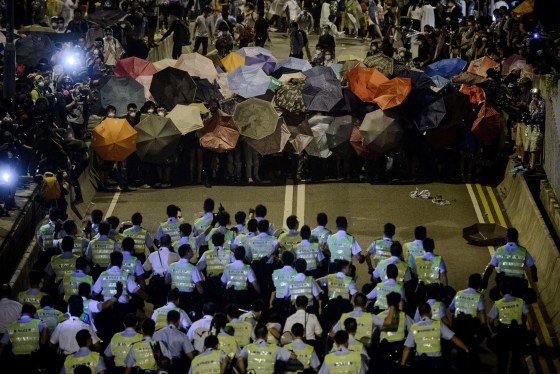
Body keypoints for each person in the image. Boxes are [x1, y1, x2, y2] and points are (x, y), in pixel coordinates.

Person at [401, 302, 469, 372]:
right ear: (430, 312)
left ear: (419, 314)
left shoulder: (414, 327)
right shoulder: (438, 324)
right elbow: (453, 338)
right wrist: (466, 349)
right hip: (436, 362)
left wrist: (402, 364)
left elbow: (407, 348)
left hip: (421, 362)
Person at [482, 227, 538, 297]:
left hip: (504, 284)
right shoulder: (523, 251)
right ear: (517, 239)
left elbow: (490, 268)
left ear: (506, 238)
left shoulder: (499, 250)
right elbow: (533, 267)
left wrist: (484, 282)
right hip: (518, 284)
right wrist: (534, 279)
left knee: (492, 294)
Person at [449, 274, 486, 373]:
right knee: (473, 348)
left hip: (458, 325)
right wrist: (483, 326)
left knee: (460, 350)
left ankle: (462, 368)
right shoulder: (478, 297)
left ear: (468, 282)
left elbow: (451, 308)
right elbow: (482, 313)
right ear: (479, 285)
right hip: (471, 326)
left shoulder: (459, 293)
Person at [0, 304, 48, 371]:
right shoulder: (38, 323)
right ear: (34, 313)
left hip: (15, 360)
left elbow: (2, 346)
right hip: (32, 359)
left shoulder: (11, 326)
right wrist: (44, 325)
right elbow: (43, 341)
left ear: (21, 313)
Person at [144, 234, 179, 308]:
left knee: (157, 305)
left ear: (160, 242)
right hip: (169, 284)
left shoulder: (152, 255)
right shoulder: (176, 256)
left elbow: (145, 271)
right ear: (170, 243)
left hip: (156, 285)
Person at [166, 244, 204, 312]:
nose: (193, 252)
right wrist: (202, 296)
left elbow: (167, 281)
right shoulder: (192, 268)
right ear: (187, 253)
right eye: (191, 251)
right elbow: (198, 285)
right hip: (188, 298)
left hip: (175, 296)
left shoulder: (171, 266)